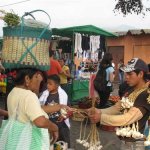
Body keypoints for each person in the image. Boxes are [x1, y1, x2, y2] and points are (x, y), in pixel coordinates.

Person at [88, 58, 150, 150]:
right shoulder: (130, 89)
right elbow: (117, 108)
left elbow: (128, 118)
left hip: (135, 143)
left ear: (140, 74)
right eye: (126, 74)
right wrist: (99, 111)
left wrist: (101, 118)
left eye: (130, 74)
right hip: (125, 140)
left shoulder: (146, 94)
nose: (126, 77)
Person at [1, 68, 59, 149]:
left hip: (14, 141)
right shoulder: (29, 96)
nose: (38, 80)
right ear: (27, 79)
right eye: (36, 77)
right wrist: (54, 128)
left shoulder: (13, 92)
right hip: (28, 143)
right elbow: (40, 122)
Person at [39, 74, 71, 148]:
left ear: (57, 85)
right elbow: (40, 107)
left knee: (61, 144)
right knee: (50, 143)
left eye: (50, 84)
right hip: (49, 123)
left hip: (60, 124)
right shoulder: (44, 95)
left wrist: (64, 115)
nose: (48, 85)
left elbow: (68, 108)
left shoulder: (63, 95)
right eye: (47, 83)